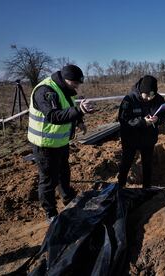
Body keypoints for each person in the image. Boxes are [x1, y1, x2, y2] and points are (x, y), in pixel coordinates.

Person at [28, 64, 95, 222]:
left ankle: (68, 198)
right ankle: (50, 212)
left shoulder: (66, 89)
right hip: (44, 144)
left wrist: (79, 121)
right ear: (66, 79)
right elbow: (53, 116)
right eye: (75, 83)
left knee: (64, 173)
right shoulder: (45, 91)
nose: (77, 86)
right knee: (48, 180)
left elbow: (69, 107)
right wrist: (79, 111)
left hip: (60, 142)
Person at [118, 75, 165, 188]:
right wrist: (142, 122)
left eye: (152, 95)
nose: (150, 98)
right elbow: (123, 120)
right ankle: (120, 186)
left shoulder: (159, 99)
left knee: (147, 164)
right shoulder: (129, 99)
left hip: (148, 139)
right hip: (131, 139)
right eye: (147, 95)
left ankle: (146, 188)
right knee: (126, 163)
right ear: (141, 91)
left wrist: (158, 119)